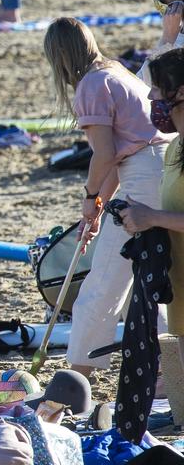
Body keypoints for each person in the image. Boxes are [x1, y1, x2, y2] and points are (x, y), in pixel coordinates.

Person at [41, 17, 171, 377]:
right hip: (162, 167)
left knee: (104, 282)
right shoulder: (116, 71)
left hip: (144, 174)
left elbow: (104, 154)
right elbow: (118, 156)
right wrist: (98, 208)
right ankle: (168, 367)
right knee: (152, 275)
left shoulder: (91, 85)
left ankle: (77, 374)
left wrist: (89, 197)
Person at [117, 50, 184, 381]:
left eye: (156, 89)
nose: (150, 97)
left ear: (179, 92)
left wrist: (152, 217)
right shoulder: (174, 148)